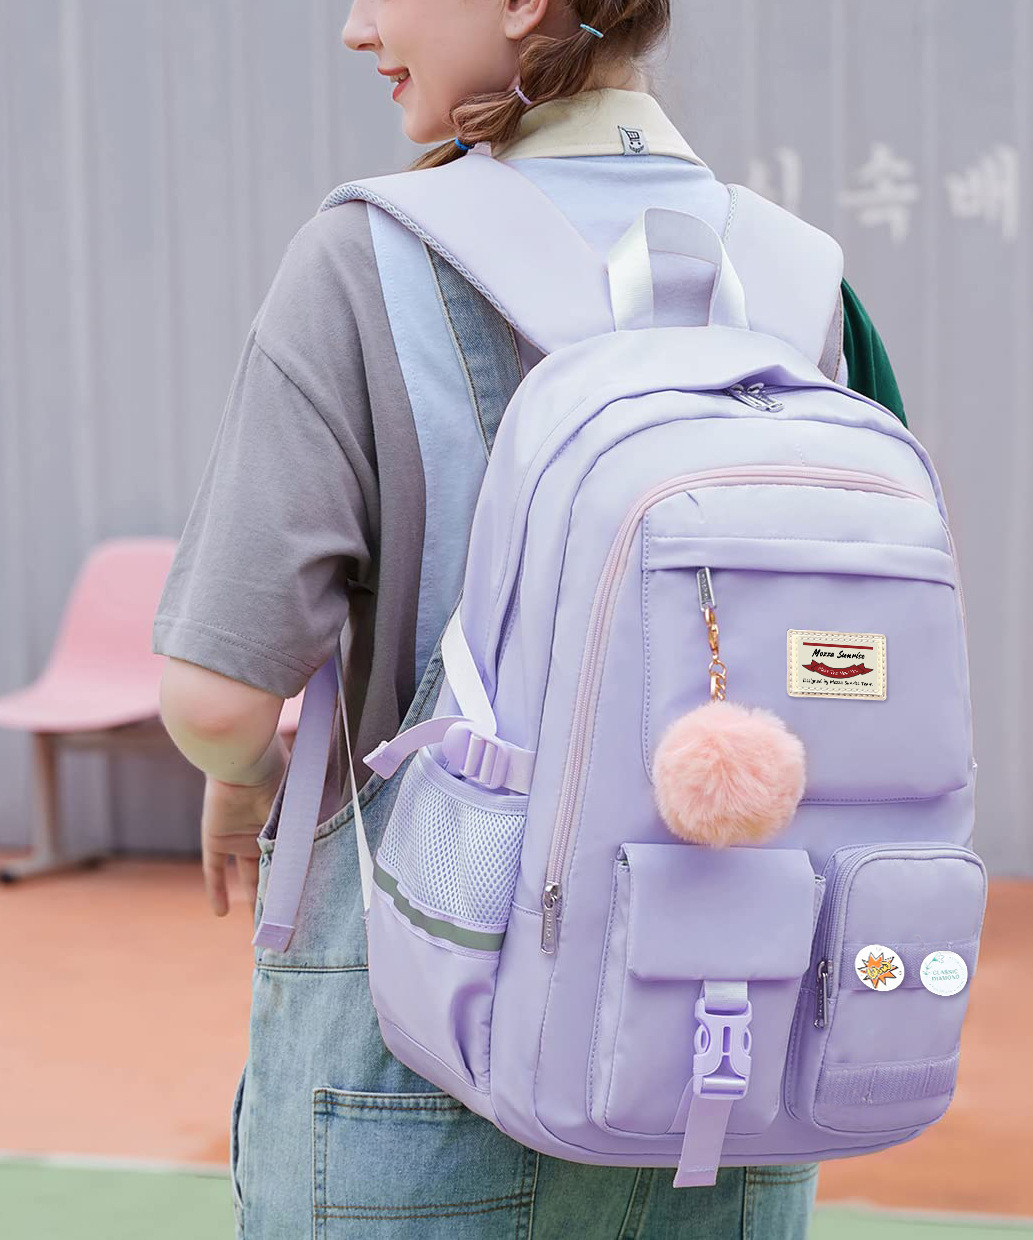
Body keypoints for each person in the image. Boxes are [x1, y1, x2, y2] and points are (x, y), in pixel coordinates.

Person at [153, 1, 907, 1235]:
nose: (355, 27)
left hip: (420, 1054)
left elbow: (216, 698)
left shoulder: (369, 256)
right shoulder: (804, 280)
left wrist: (241, 780)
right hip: (724, 1054)